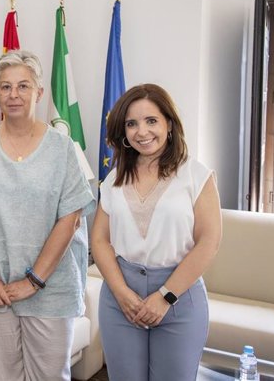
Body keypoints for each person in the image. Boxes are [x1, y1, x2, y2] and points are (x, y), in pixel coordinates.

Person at [0, 50, 95, 381]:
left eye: (23, 86)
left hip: (51, 288)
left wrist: (33, 281)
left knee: (49, 377)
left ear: (39, 93)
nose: (14, 95)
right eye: (5, 87)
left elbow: (71, 218)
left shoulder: (62, 147)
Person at [90, 83, 222, 381]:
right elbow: (99, 240)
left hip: (179, 296)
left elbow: (209, 241)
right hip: (120, 298)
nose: (142, 131)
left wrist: (164, 296)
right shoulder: (113, 179)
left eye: (152, 121)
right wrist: (122, 293)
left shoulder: (196, 175)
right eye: (132, 123)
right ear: (123, 132)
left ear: (169, 124)